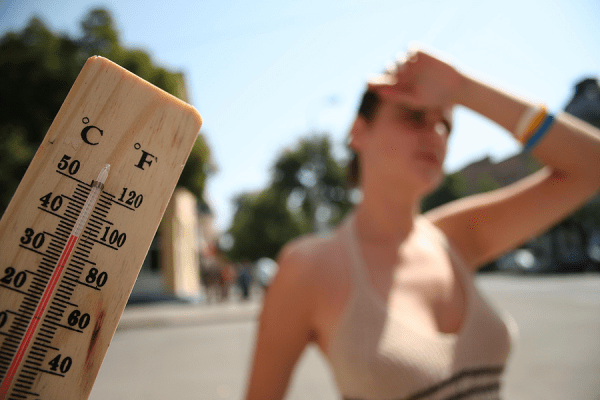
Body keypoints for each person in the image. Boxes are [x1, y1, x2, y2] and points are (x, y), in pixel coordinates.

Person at [244, 46, 600, 400]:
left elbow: (591, 166)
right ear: (359, 132)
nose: (436, 134)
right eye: (414, 116)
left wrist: (465, 89)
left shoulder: (455, 238)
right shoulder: (309, 268)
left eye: (445, 124)